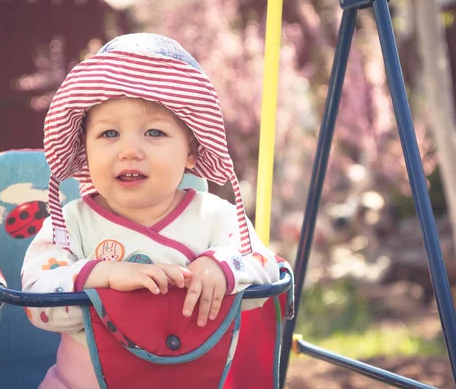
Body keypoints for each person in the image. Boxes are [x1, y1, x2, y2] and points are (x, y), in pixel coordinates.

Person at [21, 33, 280, 389]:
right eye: (109, 133)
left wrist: (219, 265)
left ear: (191, 151)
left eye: (154, 132)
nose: (129, 150)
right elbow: (38, 303)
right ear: (85, 150)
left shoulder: (215, 218)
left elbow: (266, 268)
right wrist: (103, 275)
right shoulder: (70, 224)